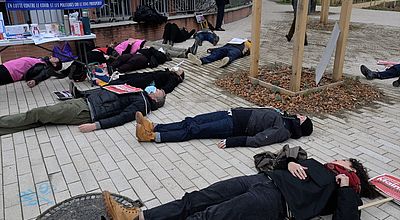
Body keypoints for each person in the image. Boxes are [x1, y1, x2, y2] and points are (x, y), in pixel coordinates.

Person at [102, 154, 379, 220]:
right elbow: (280, 162)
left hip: (275, 203)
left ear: (352, 169)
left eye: (343, 160)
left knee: (209, 216)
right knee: (196, 198)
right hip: (259, 180)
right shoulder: (320, 165)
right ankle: (138, 217)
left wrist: (344, 189)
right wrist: (289, 163)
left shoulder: (348, 189)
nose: (336, 159)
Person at [0, 87, 166, 135]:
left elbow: (122, 117)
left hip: (86, 110)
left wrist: (96, 126)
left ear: (155, 99)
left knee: (39, 113)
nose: (156, 89)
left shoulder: (142, 103)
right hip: (85, 102)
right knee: (42, 118)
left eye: (158, 91)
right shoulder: (140, 93)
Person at [135, 107, 313, 148]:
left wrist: (231, 142)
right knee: (191, 121)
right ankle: (155, 126)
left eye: (302, 117)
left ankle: (151, 136)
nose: (299, 114)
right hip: (229, 113)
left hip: (233, 126)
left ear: (301, 124)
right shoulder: (284, 117)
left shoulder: (284, 130)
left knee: (193, 130)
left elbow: (258, 140)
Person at [72, 67, 185, 98]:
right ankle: (84, 94)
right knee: (113, 84)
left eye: (179, 70)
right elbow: (145, 74)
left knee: (113, 87)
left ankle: (84, 94)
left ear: (179, 76)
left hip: (143, 83)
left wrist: (161, 92)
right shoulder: (167, 72)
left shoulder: (174, 78)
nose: (176, 68)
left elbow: (169, 87)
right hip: (140, 78)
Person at [187, 39, 251, 68]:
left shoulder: (249, 43)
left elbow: (251, 51)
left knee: (232, 54)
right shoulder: (236, 40)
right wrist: (213, 49)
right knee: (216, 54)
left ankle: (226, 60)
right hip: (227, 46)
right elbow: (223, 46)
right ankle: (201, 61)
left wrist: (246, 51)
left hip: (237, 49)